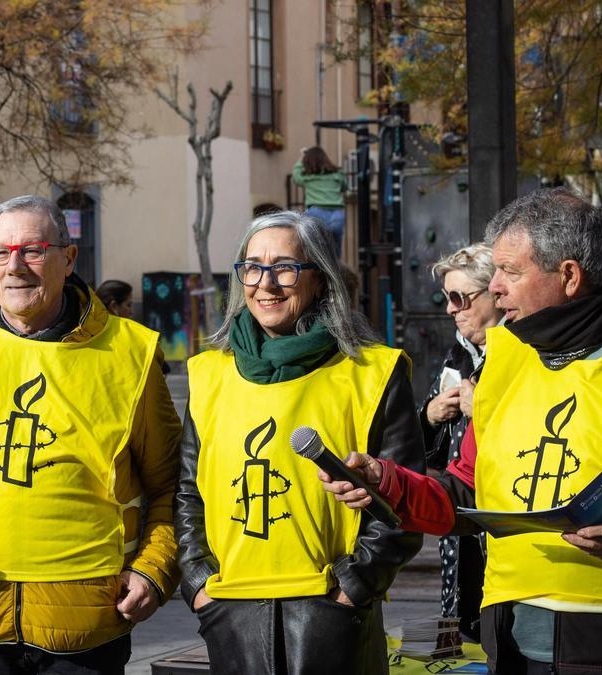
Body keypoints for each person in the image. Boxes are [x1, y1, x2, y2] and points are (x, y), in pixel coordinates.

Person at [321, 188, 602, 673]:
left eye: (511, 272)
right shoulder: (502, 361)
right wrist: (390, 484)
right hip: (514, 641)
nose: (494, 287)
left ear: (568, 275)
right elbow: (466, 491)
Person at [0, 195, 183, 673]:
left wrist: (153, 570)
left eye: (33, 250)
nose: (14, 266)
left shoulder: (130, 354)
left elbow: (171, 486)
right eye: (0, 253)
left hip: (88, 628)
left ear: (69, 257)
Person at [175, 210, 424, 675]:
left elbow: (405, 503)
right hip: (229, 611)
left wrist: (352, 588)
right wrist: (198, 583)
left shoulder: (374, 373)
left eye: (284, 268)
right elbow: (189, 492)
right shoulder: (208, 375)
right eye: (252, 267)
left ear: (320, 280)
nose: (265, 284)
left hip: (331, 616)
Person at [422, 243, 502, 639]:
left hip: (502, 529)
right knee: (461, 639)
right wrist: (430, 414)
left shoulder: (525, 355)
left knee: (500, 637)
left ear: (496, 292)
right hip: (459, 528)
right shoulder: (457, 358)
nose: (450, 309)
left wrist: (483, 409)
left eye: (459, 297)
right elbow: (426, 447)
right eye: (446, 297)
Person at [291, 145, 347, 255]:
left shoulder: (309, 177)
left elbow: (296, 177)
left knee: (316, 249)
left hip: (316, 212)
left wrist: (301, 158)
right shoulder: (337, 174)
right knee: (335, 249)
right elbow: (345, 187)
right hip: (337, 214)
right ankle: (334, 268)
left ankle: (318, 268)